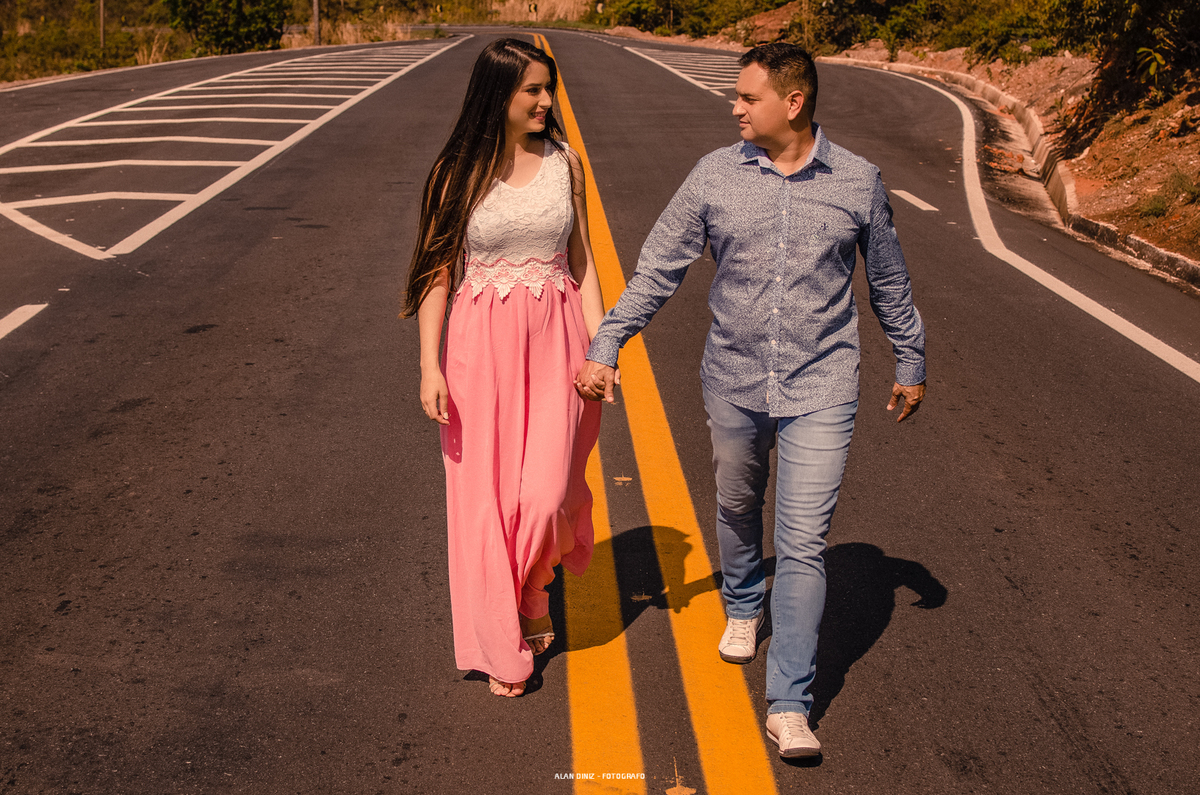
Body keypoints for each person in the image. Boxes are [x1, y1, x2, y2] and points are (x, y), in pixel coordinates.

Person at [576, 43, 925, 755]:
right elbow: (657, 269)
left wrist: (910, 357)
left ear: (792, 104)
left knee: (801, 543)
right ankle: (742, 601)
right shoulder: (714, 176)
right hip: (733, 379)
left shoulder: (857, 181)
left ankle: (789, 701)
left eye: (747, 96)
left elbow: (888, 280)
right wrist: (608, 342)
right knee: (737, 502)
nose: (734, 106)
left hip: (822, 383)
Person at [403, 38, 605, 698]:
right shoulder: (455, 171)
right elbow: (437, 272)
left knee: (546, 494)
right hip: (478, 348)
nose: (548, 101)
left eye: (549, 88)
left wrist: (602, 347)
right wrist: (429, 365)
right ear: (500, 96)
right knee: (483, 503)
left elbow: (582, 261)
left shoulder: (567, 164)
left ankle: (533, 583)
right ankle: (499, 641)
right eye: (533, 91)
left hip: (556, 338)